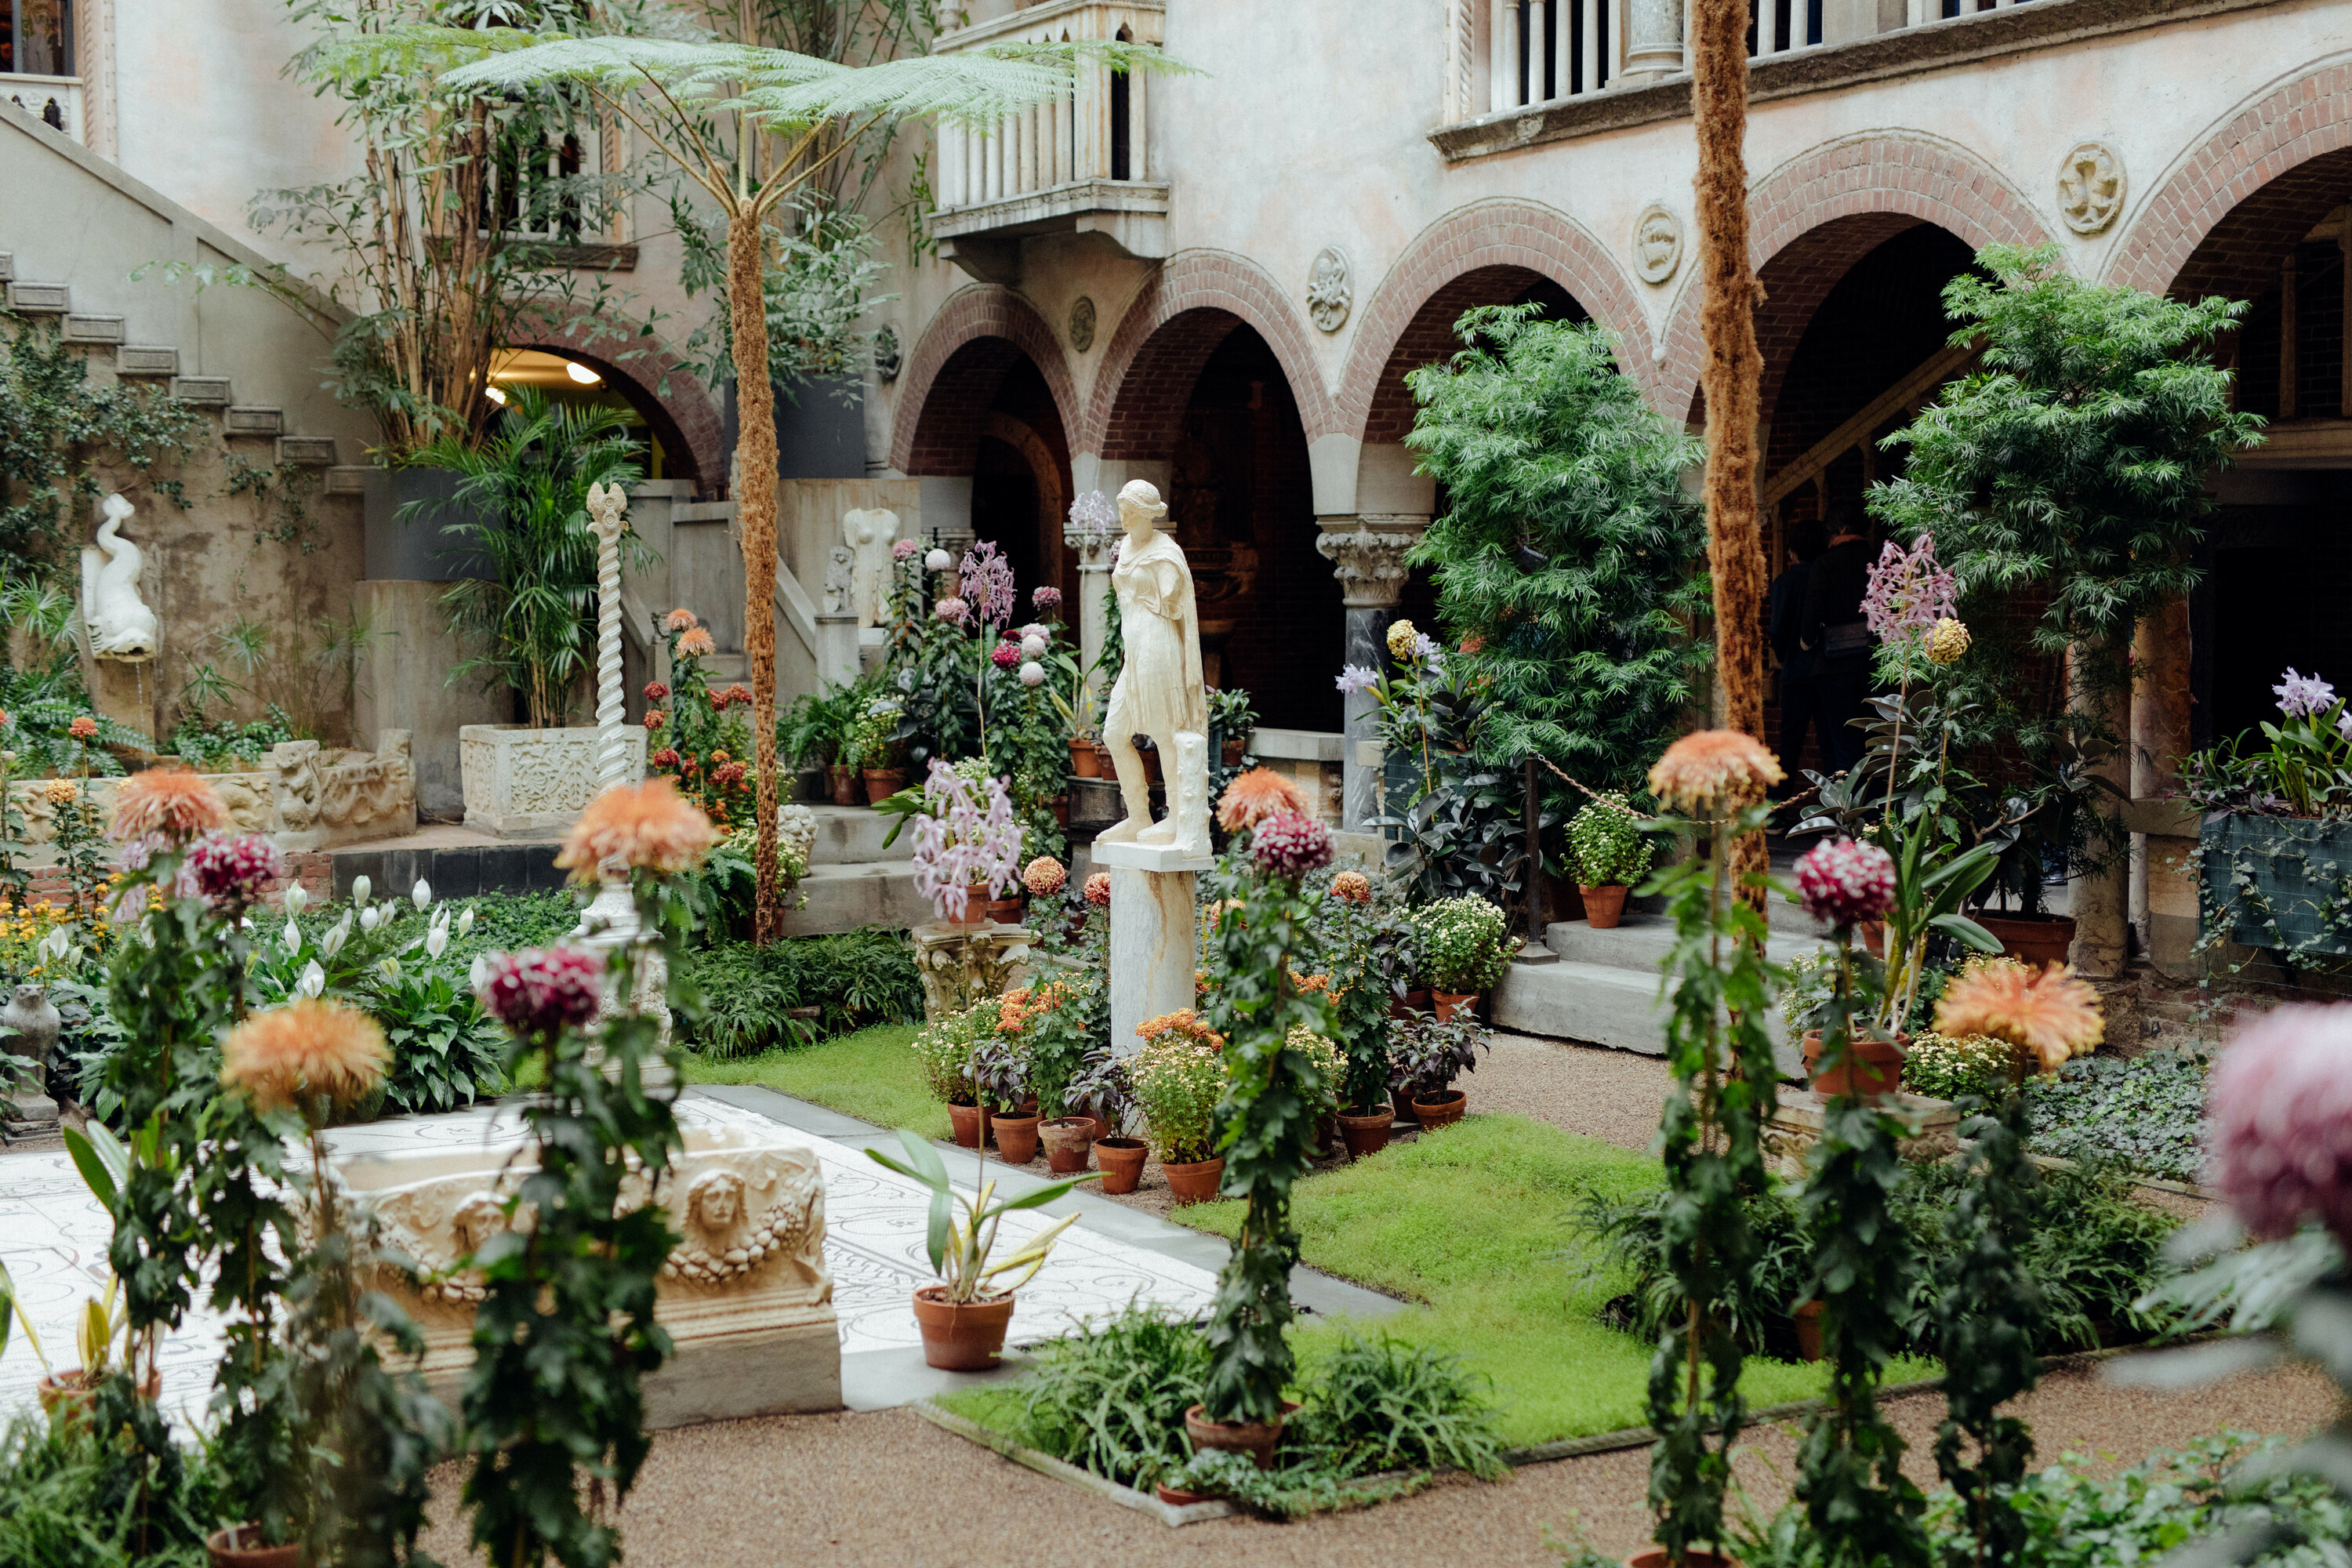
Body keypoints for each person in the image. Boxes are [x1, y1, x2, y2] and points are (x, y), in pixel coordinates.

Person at [1799, 503, 1877, 774]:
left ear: (1841, 529)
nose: (1829, 540)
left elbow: (1812, 611)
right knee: (1877, 740)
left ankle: (1849, 811)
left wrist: (1806, 641)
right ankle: (1879, 811)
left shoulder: (1825, 563)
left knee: (1843, 744)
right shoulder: (1878, 559)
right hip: (1874, 664)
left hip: (1834, 665)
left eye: (1831, 533)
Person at [1767, 517, 1828, 791]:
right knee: (1833, 745)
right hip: (1829, 670)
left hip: (1795, 671)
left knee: (1788, 745)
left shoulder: (1784, 583)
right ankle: (1841, 814)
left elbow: (1777, 630)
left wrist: (1785, 656)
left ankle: (1777, 812)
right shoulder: (1830, 577)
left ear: (1793, 550)